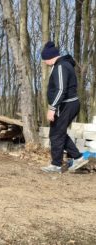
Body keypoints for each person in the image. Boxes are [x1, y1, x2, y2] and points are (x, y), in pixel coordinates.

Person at [40, 41, 89, 173]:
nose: (44, 62)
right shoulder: (62, 65)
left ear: (50, 57)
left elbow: (61, 89)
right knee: (58, 133)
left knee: (56, 134)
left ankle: (56, 165)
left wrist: (52, 108)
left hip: (66, 105)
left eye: (44, 59)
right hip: (66, 104)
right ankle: (78, 157)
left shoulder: (61, 66)